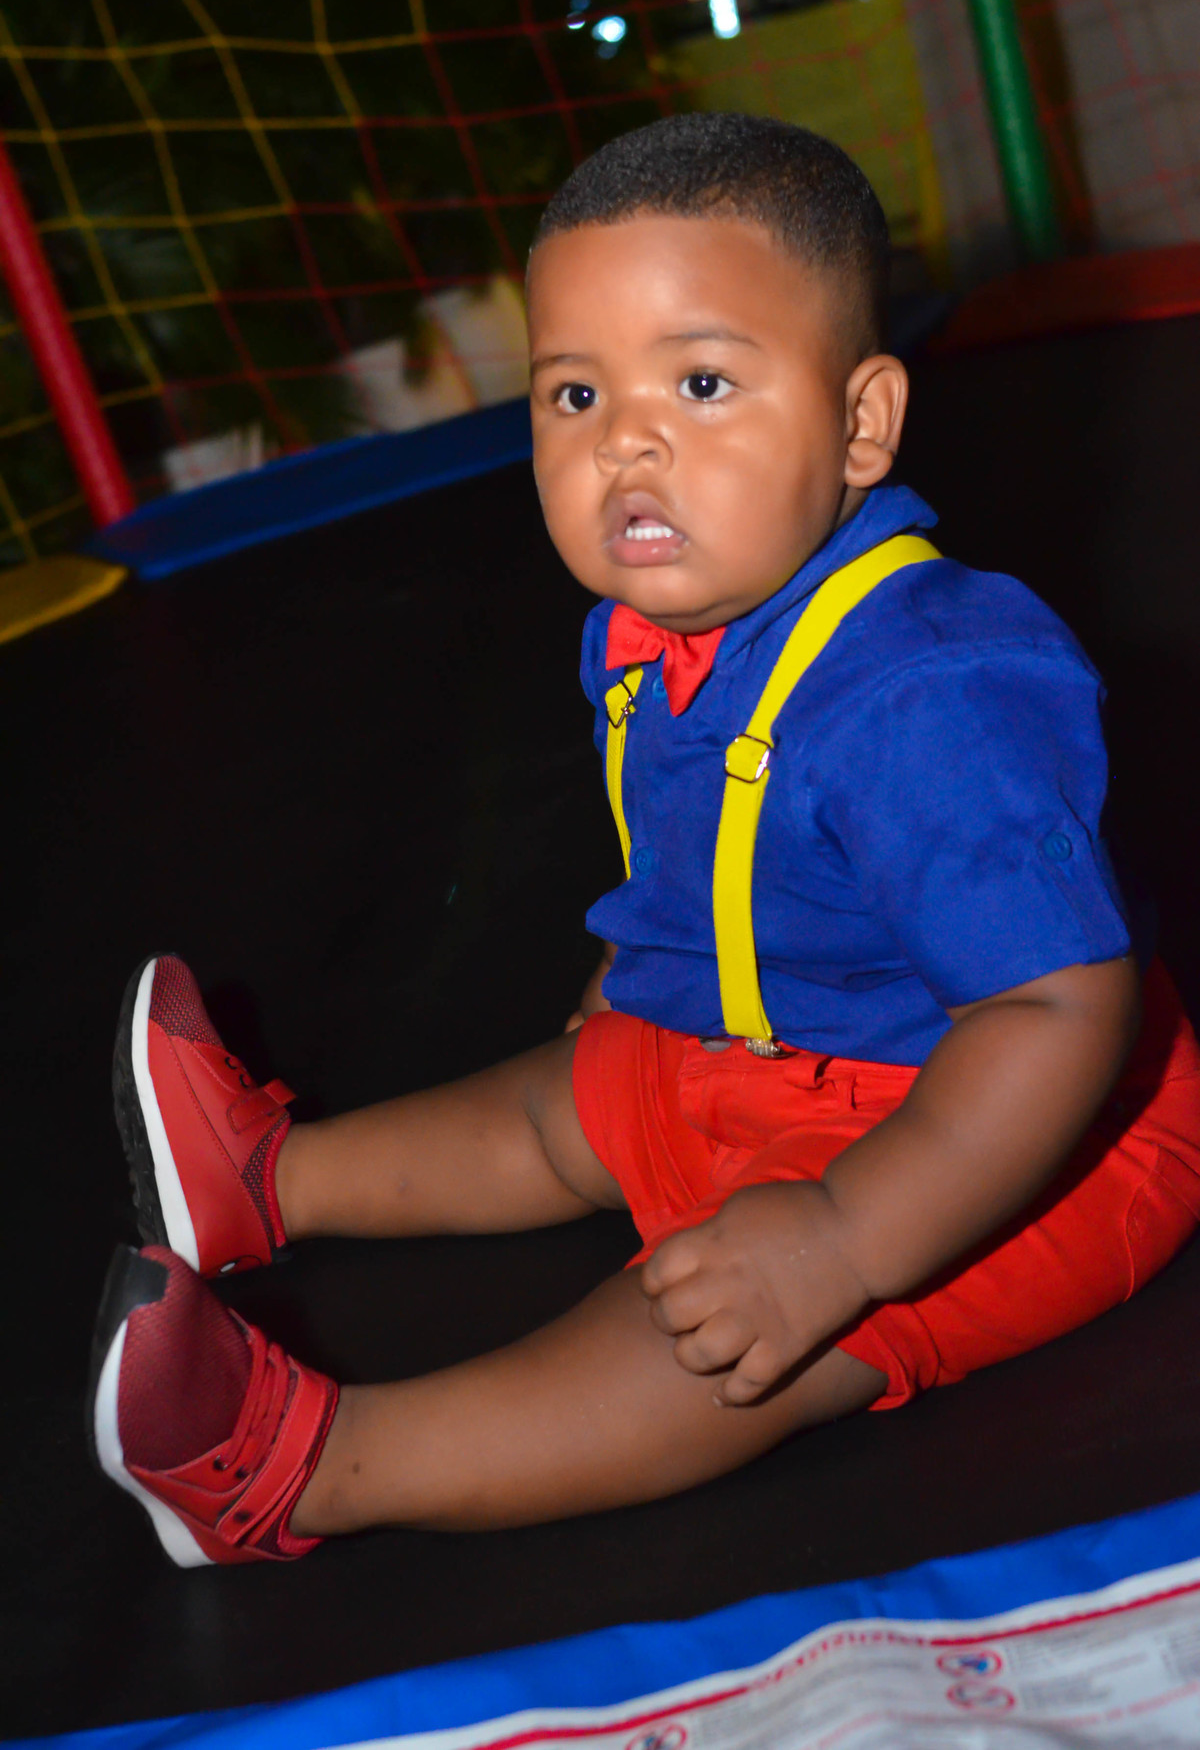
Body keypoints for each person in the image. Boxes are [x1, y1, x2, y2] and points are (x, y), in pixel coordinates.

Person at [90, 114, 1200, 1569]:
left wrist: (845, 1236)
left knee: (728, 1341)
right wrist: (654, 967)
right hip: (778, 1038)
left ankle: (302, 1471)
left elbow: (1058, 1008)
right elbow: (718, 852)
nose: (624, 439)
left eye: (702, 382)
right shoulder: (643, 634)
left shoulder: (935, 695)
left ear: (862, 424)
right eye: (574, 393)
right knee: (564, 1103)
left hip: (1014, 1133)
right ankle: (262, 1180)